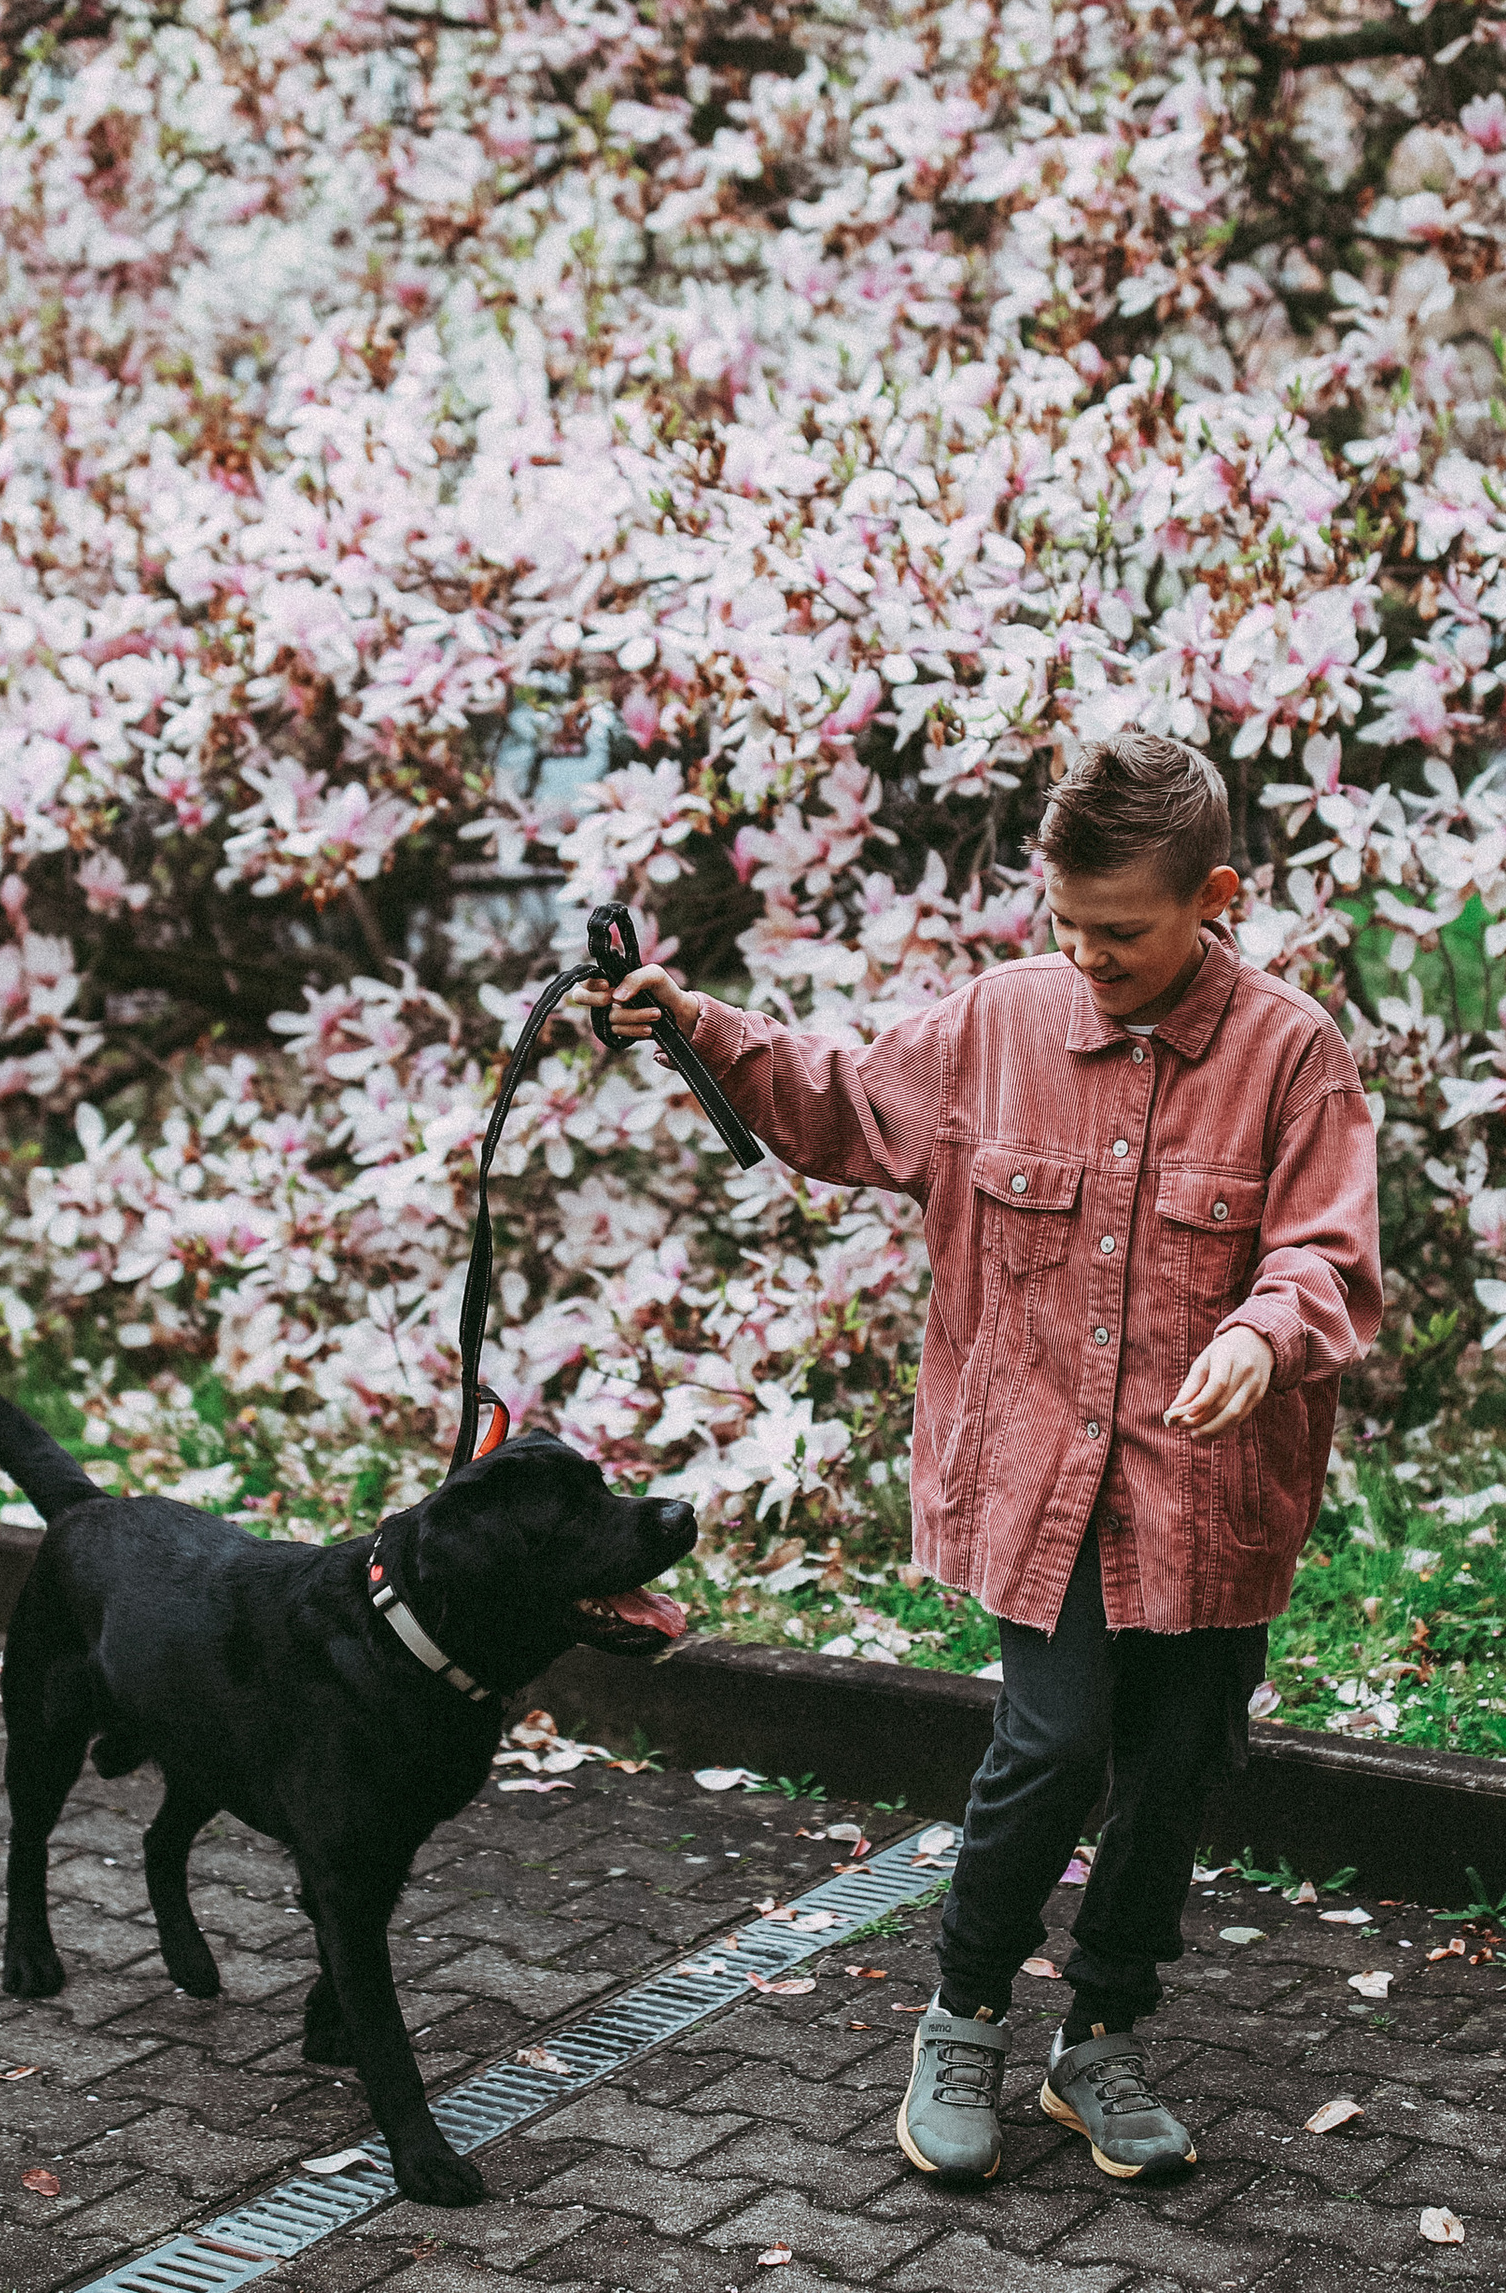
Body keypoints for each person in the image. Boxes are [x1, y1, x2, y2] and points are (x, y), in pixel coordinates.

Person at [577, 732, 1381, 2186]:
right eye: (1067, 926)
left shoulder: (1292, 1056)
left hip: (1208, 1502)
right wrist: (686, 1019)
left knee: (1176, 1767)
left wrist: (1268, 1332)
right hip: (1037, 1481)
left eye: (1124, 933)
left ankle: (1104, 2035)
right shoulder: (1000, 1021)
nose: (1090, 958)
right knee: (1056, 1742)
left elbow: (1326, 1249)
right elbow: (832, 1098)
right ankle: (962, 2014)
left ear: (1220, 896)